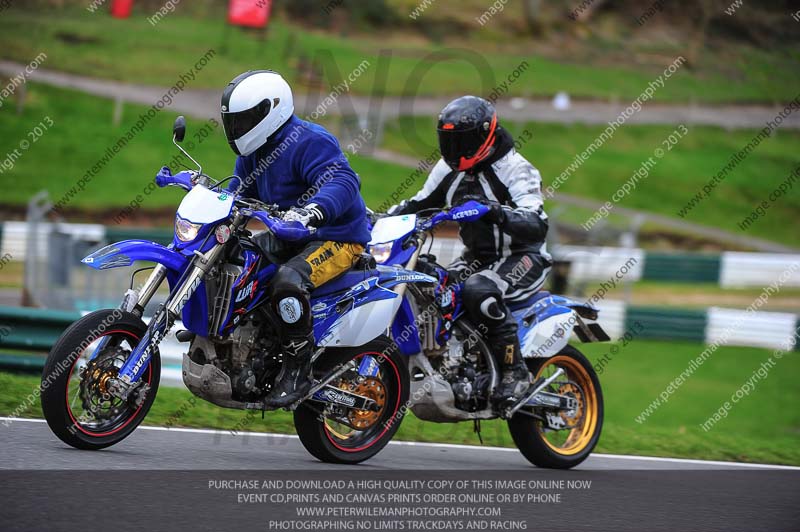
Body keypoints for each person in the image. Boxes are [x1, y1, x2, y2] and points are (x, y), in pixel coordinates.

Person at [389, 95, 551, 408]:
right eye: (449, 140)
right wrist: (378, 219)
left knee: (479, 290)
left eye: (461, 140)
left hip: (523, 256)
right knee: (429, 283)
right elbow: (419, 205)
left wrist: (494, 212)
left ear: (484, 136)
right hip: (477, 258)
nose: (454, 148)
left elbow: (536, 223)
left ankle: (514, 371)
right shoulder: (446, 169)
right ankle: (453, 364)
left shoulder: (516, 168)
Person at [221, 70, 370, 408]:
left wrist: (313, 212)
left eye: (245, 121)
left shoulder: (308, 141)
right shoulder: (253, 152)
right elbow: (237, 194)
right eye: (234, 122)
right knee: (236, 258)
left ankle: (298, 368)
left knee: (288, 282)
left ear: (271, 111)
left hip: (336, 237)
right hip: (287, 235)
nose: (238, 129)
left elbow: (344, 180)